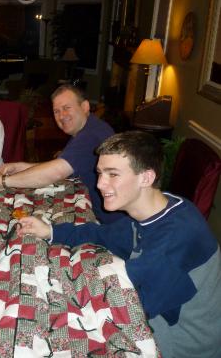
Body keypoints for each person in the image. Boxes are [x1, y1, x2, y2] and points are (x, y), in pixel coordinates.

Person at [16, 131, 221, 357]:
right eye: (100, 173)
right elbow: (103, 235)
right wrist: (50, 230)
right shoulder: (154, 209)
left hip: (179, 342)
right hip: (158, 314)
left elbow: (128, 307)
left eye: (113, 174)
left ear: (146, 178)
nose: (100, 184)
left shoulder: (178, 236)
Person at [0, 84, 122, 223]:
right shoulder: (90, 127)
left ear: (85, 106)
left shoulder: (90, 135)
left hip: (111, 222)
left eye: (67, 108)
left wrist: (5, 181)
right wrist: (20, 166)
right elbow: (61, 165)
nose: (62, 115)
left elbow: (56, 172)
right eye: (56, 111)